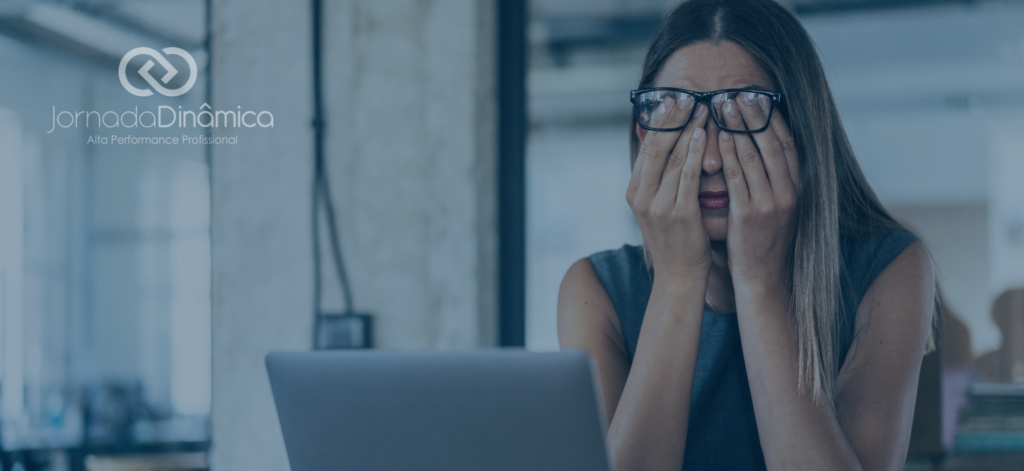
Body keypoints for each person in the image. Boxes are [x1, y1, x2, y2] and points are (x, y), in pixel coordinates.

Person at [556, 0, 939, 470]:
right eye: (681, 118)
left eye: (743, 115)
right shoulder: (596, 290)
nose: (710, 160)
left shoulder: (890, 270)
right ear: (645, 134)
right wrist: (678, 278)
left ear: (799, 131)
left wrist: (758, 280)